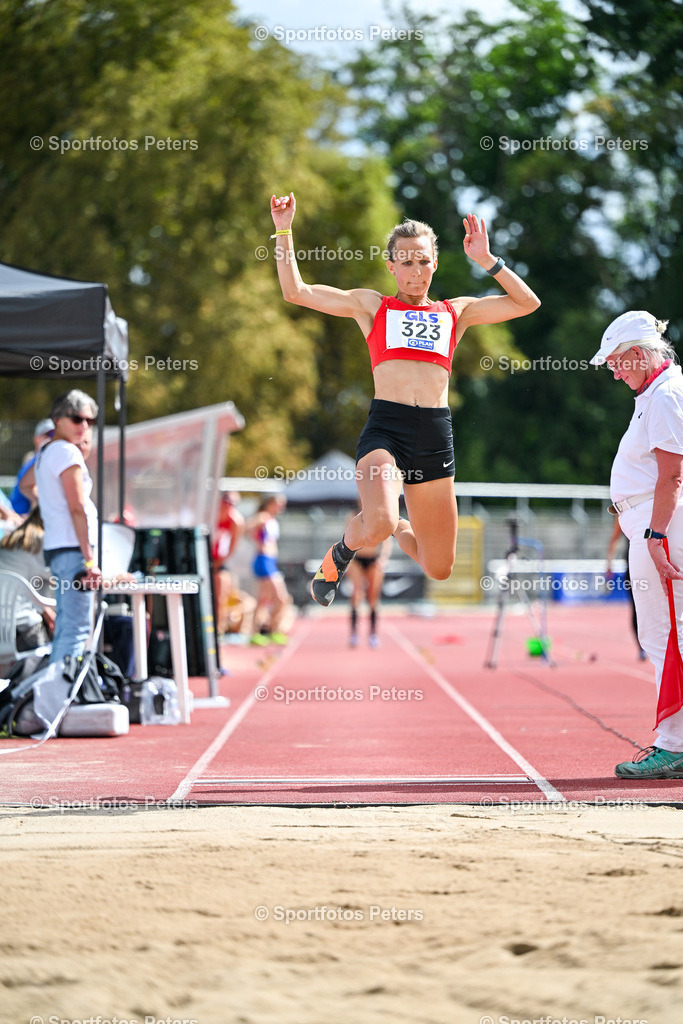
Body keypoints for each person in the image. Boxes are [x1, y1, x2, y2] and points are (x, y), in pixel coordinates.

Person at [269, 192, 541, 607]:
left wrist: (488, 260)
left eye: (424, 261)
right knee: (375, 522)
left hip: (434, 435)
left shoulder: (456, 312)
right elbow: (296, 291)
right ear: (391, 265)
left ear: (435, 263)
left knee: (438, 566)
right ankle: (341, 553)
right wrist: (283, 229)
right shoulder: (372, 307)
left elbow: (527, 303)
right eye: (407, 262)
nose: (416, 272)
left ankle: (396, 524)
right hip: (387, 430)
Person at [591, 310, 683, 779]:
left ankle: (675, 745)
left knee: (666, 635)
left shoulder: (665, 394)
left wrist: (658, 534)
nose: (613, 370)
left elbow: (671, 472)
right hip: (650, 518)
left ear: (641, 355)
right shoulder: (657, 392)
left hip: (660, 520)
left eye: (617, 362)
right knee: (663, 633)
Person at [34, 390, 102, 664]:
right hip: (74, 551)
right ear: (58, 419)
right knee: (76, 630)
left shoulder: (46, 451)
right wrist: (89, 560)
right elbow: (77, 508)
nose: (84, 426)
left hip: (59, 549)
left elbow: (28, 485)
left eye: (89, 420)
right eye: (77, 418)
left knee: (66, 627)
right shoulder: (66, 452)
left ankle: (54, 696)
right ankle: (61, 700)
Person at [0, 506, 55, 655]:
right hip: (23, 629)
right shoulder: (41, 542)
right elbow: (63, 578)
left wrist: (45, 610)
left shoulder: (10, 538)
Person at [249, 494, 292, 644]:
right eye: (279, 504)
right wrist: (255, 538)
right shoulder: (263, 517)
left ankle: (260, 632)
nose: (281, 507)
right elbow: (248, 527)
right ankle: (270, 630)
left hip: (270, 561)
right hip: (264, 560)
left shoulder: (272, 520)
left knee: (264, 599)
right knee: (281, 597)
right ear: (270, 503)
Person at [345, 511, 392, 647]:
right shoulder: (353, 516)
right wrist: (348, 560)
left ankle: (373, 634)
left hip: (374, 559)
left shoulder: (380, 515)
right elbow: (347, 537)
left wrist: (383, 558)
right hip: (357, 559)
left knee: (373, 598)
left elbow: (387, 539)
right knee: (356, 595)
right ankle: (353, 634)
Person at [605, 516, 646, 660]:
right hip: (633, 568)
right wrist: (609, 564)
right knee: (636, 608)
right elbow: (614, 538)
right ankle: (642, 647)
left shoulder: (655, 505)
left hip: (653, 564)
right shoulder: (623, 511)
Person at [9, 418, 55, 515]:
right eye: (48, 434)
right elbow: (34, 500)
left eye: (54, 435)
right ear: (36, 439)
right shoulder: (37, 462)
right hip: (21, 517)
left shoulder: (38, 460)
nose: (52, 438)